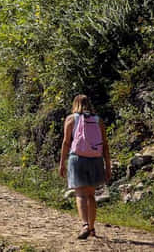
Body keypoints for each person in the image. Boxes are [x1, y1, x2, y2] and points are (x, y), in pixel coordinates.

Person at [59, 94, 111, 240]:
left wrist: (62, 163)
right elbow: (105, 146)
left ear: (75, 104)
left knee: (80, 194)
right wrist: (108, 166)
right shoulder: (98, 120)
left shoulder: (70, 119)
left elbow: (66, 143)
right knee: (90, 195)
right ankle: (92, 227)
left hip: (78, 159)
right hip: (95, 160)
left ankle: (84, 225)